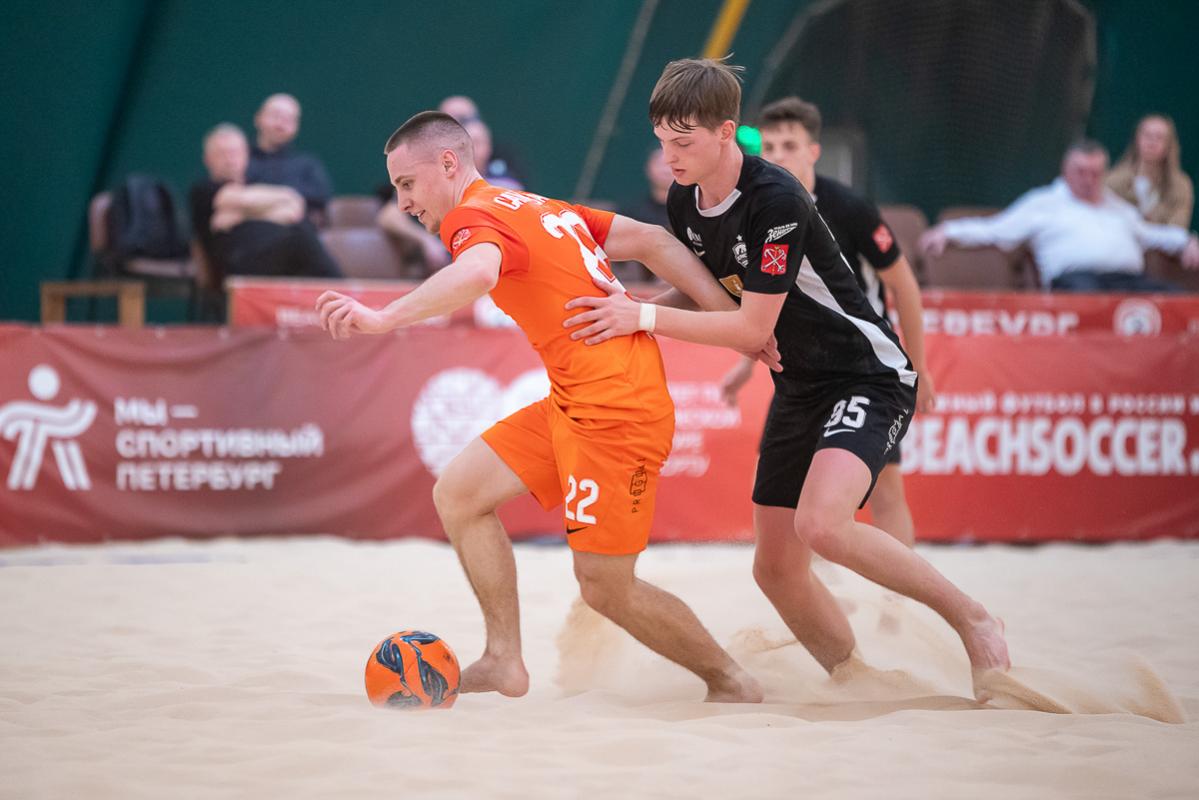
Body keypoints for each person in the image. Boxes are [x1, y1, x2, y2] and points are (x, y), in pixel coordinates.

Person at [562, 58, 1009, 699]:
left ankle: (973, 619)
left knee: (824, 525)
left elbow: (750, 328)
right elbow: (708, 291)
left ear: (726, 132)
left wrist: (642, 317)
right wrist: (633, 308)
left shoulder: (778, 200)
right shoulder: (684, 200)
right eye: (661, 140)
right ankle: (855, 679)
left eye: (682, 141)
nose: (668, 156)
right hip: (798, 385)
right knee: (774, 569)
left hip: (866, 374)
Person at [314, 111, 763, 703]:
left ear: (448, 164)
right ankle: (504, 660)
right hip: (576, 399)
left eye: (407, 184)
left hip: (615, 410)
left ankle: (732, 682)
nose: (403, 203)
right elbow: (654, 241)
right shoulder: (536, 206)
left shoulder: (471, 216)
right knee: (459, 495)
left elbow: (478, 273)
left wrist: (383, 317)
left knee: (605, 587)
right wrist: (727, 317)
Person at [718, 96, 931, 547]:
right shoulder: (759, 209)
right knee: (776, 492)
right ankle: (807, 580)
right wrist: (743, 367)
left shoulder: (850, 208)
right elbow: (766, 303)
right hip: (802, 369)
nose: (778, 155)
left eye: (790, 145)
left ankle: (899, 591)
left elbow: (905, 287)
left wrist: (921, 367)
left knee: (886, 487)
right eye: (769, 146)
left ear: (814, 151)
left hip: (864, 364)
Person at [920, 140, 1199, 292]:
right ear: (1066, 170)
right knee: (1090, 298)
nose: (1088, 180)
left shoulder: (1118, 207)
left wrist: (1187, 241)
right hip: (1076, 283)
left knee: (1176, 299)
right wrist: (949, 231)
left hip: (1127, 282)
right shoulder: (1043, 203)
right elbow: (997, 229)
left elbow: (1151, 234)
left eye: (1095, 173)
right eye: (1081, 172)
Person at [190, 123, 341, 280]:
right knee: (301, 238)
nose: (230, 160)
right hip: (237, 262)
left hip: (278, 259)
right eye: (222, 154)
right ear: (207, 159)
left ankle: (341, 291)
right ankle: (345, 290)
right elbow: (233, 198)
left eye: (235, 152)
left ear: (246, 155)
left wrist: (242, 214)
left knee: (302, 232)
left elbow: (293, 209)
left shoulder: (256, 184)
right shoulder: (203, 189)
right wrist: (275, 203)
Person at [246, 93, 333, 216]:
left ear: (296, 127)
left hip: (293, 225)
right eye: (275, 116)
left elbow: (322, 196)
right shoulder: (240, 160)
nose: (280, 125)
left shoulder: (307, 164)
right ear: (258, 118)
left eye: (289, 119)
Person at [1107, 114, 1194, 227]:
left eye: (1159, 137)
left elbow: (1178, 227)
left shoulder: (1180, 186)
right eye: (1147, 135)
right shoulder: (1114, 180)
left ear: (1169, 145)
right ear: (1137, 139)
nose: (1152, 142)